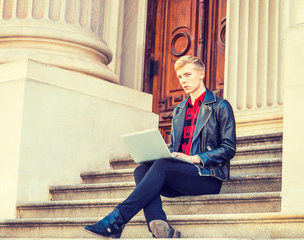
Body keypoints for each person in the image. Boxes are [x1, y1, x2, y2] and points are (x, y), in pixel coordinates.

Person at [84, 55, 236, 238]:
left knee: (162, 166)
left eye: (188, 74)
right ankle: (161, 229)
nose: (183, 81)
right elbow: (175, 146)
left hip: (207, 176)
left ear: (201, 74)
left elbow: (229, 148)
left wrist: (196, 158)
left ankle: (116, 220)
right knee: (141, 170)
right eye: (180, 77)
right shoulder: (179, 111)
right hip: (181, 173)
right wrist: (160, 153)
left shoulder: (220, 106)